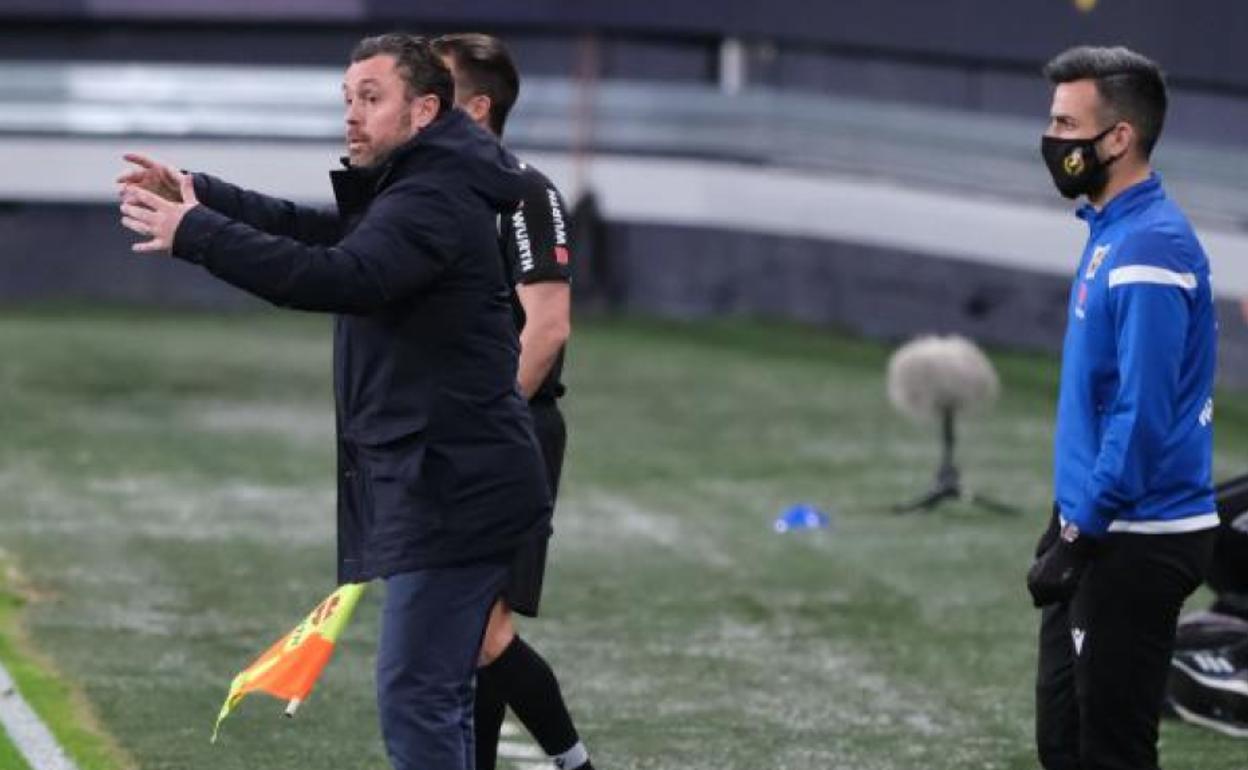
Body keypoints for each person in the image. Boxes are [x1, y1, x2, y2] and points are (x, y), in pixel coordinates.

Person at [116, 32, 551, 770]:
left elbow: (335, 276)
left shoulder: (433, 196)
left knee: (418, 700)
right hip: (443, 479)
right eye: (347, 99)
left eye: (370, 99)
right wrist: (203, 196)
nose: (351, 115)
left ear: (423, 110)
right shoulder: (419, 183)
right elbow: (318, 231)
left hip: (456, 488)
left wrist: (196, 235)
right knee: (431, 698)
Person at [1027, 46, 1219, 770]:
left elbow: (1142, 410)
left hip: (1137, 533)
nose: (1052, 140)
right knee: (1065, 744)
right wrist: (1068, 520)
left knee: (1110, 754)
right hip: (1097, 520)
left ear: (1118, 138)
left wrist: (1084, 534)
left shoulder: (1149, 244)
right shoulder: (1110, 228)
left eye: (1065, 122)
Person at [432, 33, 594, 770]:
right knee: (468, 630)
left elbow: (549, 325)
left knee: (484, 630)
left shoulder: (522, 192)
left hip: (511, 427)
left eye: (431, 90)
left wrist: (488, 419)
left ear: (477, 107)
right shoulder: (440, 194)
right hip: (468, 428)